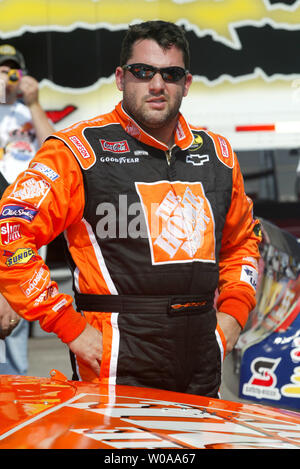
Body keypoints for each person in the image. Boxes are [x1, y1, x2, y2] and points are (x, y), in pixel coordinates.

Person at [0, 22, 261, 397]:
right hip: (113, 369)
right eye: (143, 72)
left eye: (170, 74)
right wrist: (68, 325)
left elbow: (242, 244)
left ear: (186, 84)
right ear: (121, 78)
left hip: (203, 366)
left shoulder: (218, 155)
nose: (157, 85)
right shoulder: (78, 151)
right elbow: (9, 233)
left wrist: (234, 315)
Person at [0, 44, 54, 374]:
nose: (8, 75)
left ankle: (15, 381)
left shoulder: (27, 112)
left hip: (25, 218)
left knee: (18, 302)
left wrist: (33, 103)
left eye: (13, 69)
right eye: (1, 69)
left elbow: (54, 152)